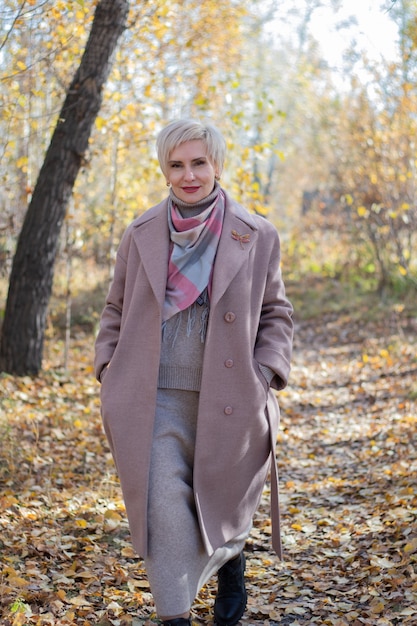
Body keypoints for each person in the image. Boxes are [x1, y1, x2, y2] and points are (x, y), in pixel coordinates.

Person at [94, 119, 294, 626]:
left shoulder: (257, 234)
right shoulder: (140, 233)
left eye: (199, 163)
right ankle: (175, 616)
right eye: (177, 164)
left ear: (217, 165)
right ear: (164, 169)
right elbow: (114, 309)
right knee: (163, 516)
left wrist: (266, 371)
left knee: (221, 505)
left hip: (230, 398)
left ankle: (231, 561)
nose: (189, 175)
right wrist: (107, 367)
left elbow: (276, 313)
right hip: (151, 396)